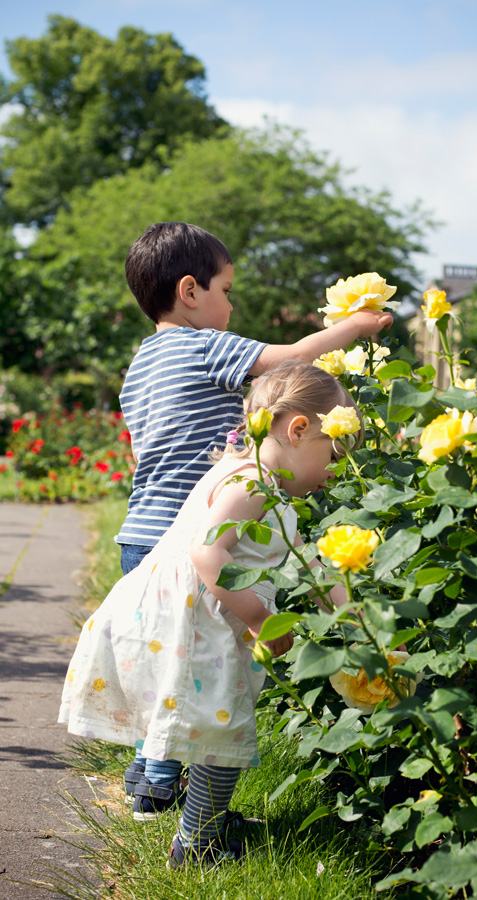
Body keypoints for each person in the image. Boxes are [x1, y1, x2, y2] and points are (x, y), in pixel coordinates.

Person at [114, 221, 392, 806]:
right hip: (191, 532)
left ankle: (146, 775)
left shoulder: (140, 365)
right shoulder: (203, 344)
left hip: (140, 530)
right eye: (227, 289)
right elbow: (288, 359)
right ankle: (160, 790)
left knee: (164, 666)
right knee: (197, 663)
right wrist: (353, 327)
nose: (231, 304)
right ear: (191, 292)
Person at [59, 361, 362, 868]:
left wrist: (351, 616)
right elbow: (207, 556)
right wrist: (261, 618)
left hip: (196, 619)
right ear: (298, 429)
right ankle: (197, 844)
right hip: (195, 623)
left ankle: (202, 823)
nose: (334, 470)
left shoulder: (263, 481)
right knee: (223, 735)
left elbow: (308, 561)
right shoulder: (250, 487)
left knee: (215, 732)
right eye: (333, 455)